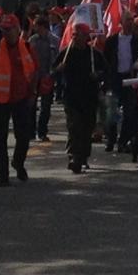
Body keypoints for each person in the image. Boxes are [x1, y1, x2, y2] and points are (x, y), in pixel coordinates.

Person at [0, 14, 38, 187]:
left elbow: (35, 71)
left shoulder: (26, 47)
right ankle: (3, 174)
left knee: (24, 137)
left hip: (21, 99)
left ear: (18, 29)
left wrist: (33, 94)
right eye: (3, 30)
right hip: (0, 100)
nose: (6, 33)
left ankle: (18, 163)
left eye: (10, 29)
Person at [53, 22, 105, 173]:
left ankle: (83, 156)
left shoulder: (94, 55)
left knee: (87, 127)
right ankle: (74, 156)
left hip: (89, 96)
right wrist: (59, 69)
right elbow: (53, 71)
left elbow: (105, 71)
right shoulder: (66, 53)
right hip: (71, 96)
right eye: (74, 35)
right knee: (74, 126)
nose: (75, 38)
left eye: (79, 35)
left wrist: (98, 75)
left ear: (86, 37)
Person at [103, 14, 138, 153]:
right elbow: (106, 60)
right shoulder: (111, 41)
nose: (130, 23)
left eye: (132, 20)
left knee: (129, 112)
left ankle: (123, 140)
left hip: (130, 79)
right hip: (114, 79)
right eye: (127, 20)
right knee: (111, 112)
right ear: (121, 22)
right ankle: (111, 139)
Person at [27, 9, 59, 142]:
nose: (34, 28)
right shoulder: (32, 40)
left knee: (45, 107)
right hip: (34, 77)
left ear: (43, 27)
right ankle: (30, 132)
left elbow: (58, 58)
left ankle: (42, 131)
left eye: (36, 26)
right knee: (31, 106)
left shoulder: (54, 40)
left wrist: (55, 73)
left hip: (47, 77)